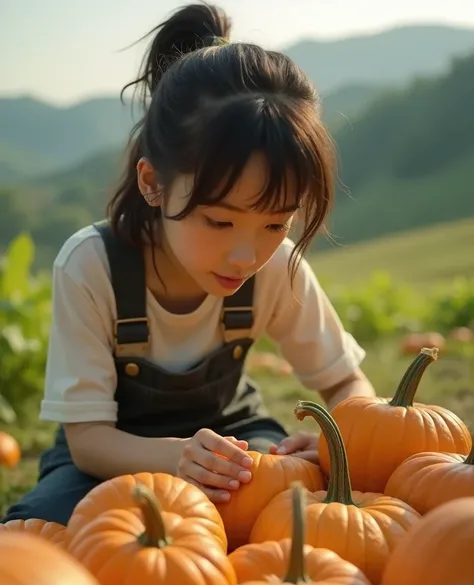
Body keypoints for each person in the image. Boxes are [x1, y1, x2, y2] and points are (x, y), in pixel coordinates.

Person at [3, 2, 375, 525]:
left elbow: (346, 383)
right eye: (219, 223)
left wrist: (333, 439)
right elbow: (88, 440)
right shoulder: (91, 266)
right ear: (152, 183)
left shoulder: (275, 268)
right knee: (43, 531)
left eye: (276, 224)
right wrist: (177, 458)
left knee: (292, 512)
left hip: (234, 444)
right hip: (111, 460)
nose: (246, 255)